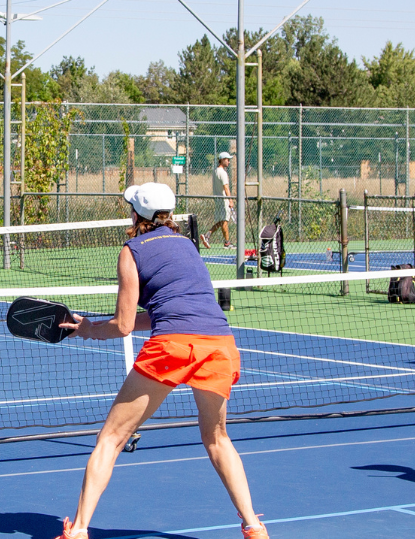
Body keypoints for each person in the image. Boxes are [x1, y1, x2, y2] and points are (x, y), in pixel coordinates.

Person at [53, 182, 268, 539]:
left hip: (172, 347)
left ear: (137, 215)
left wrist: (88, 329)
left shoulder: (131, 250)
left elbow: (123, 326)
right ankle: (254, 527)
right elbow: (164, 312)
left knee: (111, 439)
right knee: (217, 438)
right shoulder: (188, 246)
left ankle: (77, 532)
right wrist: (95, 326)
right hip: (220, 344)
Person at [201, 152, 233, 249]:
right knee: (224, 222)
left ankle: (208, 235)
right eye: (227, 159)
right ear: (222, 160)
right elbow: (226, 187)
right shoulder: (222, 172)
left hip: (218, 200)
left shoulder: (215, 171)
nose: (229, 162)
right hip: (223, 201)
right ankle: (227, 243)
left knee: (221, 221)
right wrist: (230, 200)